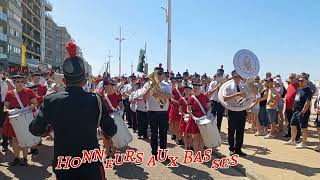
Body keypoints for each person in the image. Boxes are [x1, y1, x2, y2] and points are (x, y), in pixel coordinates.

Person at [29, 41, 117, 179]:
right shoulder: (96, 100)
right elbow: (111, 130)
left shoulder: (50, 100)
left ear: (64, 81)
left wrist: (48, 127)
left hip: (64, 166)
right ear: (84, 82)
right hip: (91, 165)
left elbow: (35, 130)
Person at [139, 65, 172, 159]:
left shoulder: (166, 85)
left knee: (163, 134)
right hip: (152, 112)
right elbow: (144, 97)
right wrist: (151, 87)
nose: (159, 75)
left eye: (161, 74)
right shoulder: (147, 84)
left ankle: (163, 154)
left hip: (163, 113)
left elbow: (170, 96)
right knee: (154, 134)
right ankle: (154, 153)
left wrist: (160, 93)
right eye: (157, 74)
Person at [3, 74, 38, 166]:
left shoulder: (29, 91)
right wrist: (7, 110)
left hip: (25, 118)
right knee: (14, 140)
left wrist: (30, 107)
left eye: (22, 81)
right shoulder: (10, 93)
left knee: (24, 138)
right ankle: (16, 158)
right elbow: (6, 105)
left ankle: (25, 158)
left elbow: (35, 103)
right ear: (14, 83)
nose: (20, 83)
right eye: (17, 81)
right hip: (14, 119)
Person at [284, 74, 312, 149]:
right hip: (295, 111)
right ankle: (293, 140)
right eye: (299, 80)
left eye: (302, 81)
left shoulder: (308, 90)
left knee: (303, 127)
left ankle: (303, 143)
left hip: (303, 112)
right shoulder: (299, 89)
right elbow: (297, 99)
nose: (300, 82)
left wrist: (303, 112)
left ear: (306, 81)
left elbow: (308, 102)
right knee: (292, 125)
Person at [223, 70, 247, 156]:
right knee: (232, 130)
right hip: (232, 110)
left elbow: (249, 97)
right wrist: (236, 94)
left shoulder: (244, 86)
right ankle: (231, 148)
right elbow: (225, 98)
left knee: (240, 131)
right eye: (236, 77)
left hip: (241, 110)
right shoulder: (228, 87)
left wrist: (245, 96)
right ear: (233, 77)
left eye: (239, 77)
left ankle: (238, 149)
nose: (238, 78)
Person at [187, 79, 210, 153]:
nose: (195, 89)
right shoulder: (191, 98)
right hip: (195, 119)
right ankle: (197, 152)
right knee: (196, 137)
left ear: (200, 89)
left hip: (203, 119)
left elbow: (208, 106)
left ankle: (201, 152)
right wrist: (193, 117)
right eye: (194, 88)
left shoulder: (204, 97)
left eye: (197, 88)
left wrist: (208, 113)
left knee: (202, 137)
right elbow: (188, 110)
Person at [283, 73, 301, 141]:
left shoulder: (298, 86)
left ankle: (297, 136)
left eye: (292, 77)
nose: (290, 79)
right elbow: (287, 94)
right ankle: (290, 133)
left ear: (295, 78)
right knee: (290, 121)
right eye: (289, 77)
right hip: (288, 106)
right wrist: (285, 98)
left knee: (296, 123)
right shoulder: (290, 85)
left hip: (295, 107)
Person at [208, 67, 226, 132]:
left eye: (221, 74)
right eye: (219, 74)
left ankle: (218, 131)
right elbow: (209, 93)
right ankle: (211, 131)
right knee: (212, 117)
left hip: (221, 102)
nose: (220, 76)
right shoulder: (213, 83)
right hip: (214, 102)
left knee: (220, 118)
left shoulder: (225, 84)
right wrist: (217, 86)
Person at [169, 74, 184, 145]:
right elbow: (171, 99)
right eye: (178, 81)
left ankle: (179, 138)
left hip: (182, 109)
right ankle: (174, 134)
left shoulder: (185, 89)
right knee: (174, 123)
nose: (179, 82)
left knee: (179, 124)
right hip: (175, 108)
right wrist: (178, 102)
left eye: (180, 80)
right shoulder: (174, 90)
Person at [179, 83, 193, 150]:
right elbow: (180, 110)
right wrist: (185, 115)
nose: (187, 91)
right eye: (186, 90)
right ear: (184, 91)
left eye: (189, 90)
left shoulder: (192, 99)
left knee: (190, 133)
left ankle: (191, 145)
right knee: (185, 133)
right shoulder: (181, 99)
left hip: (190, 117)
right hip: (184, 117)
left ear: (191, 91)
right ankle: (186, 146)